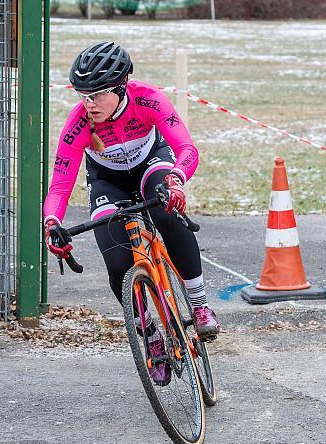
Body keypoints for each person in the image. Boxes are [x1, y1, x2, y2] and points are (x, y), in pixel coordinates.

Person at [43, 42, 220, 385]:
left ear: (121, 86)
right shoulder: (79, 123)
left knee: (166, 210)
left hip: (152, 165)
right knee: (117, 262)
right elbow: (60, 185)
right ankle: (150, 335)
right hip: (106, 180)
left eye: (97, 95)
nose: (88, 103)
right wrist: (52, 222)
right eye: (83, 95)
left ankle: (198, 304)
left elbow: (186, 148)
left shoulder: (148, 99)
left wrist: (177, 179)